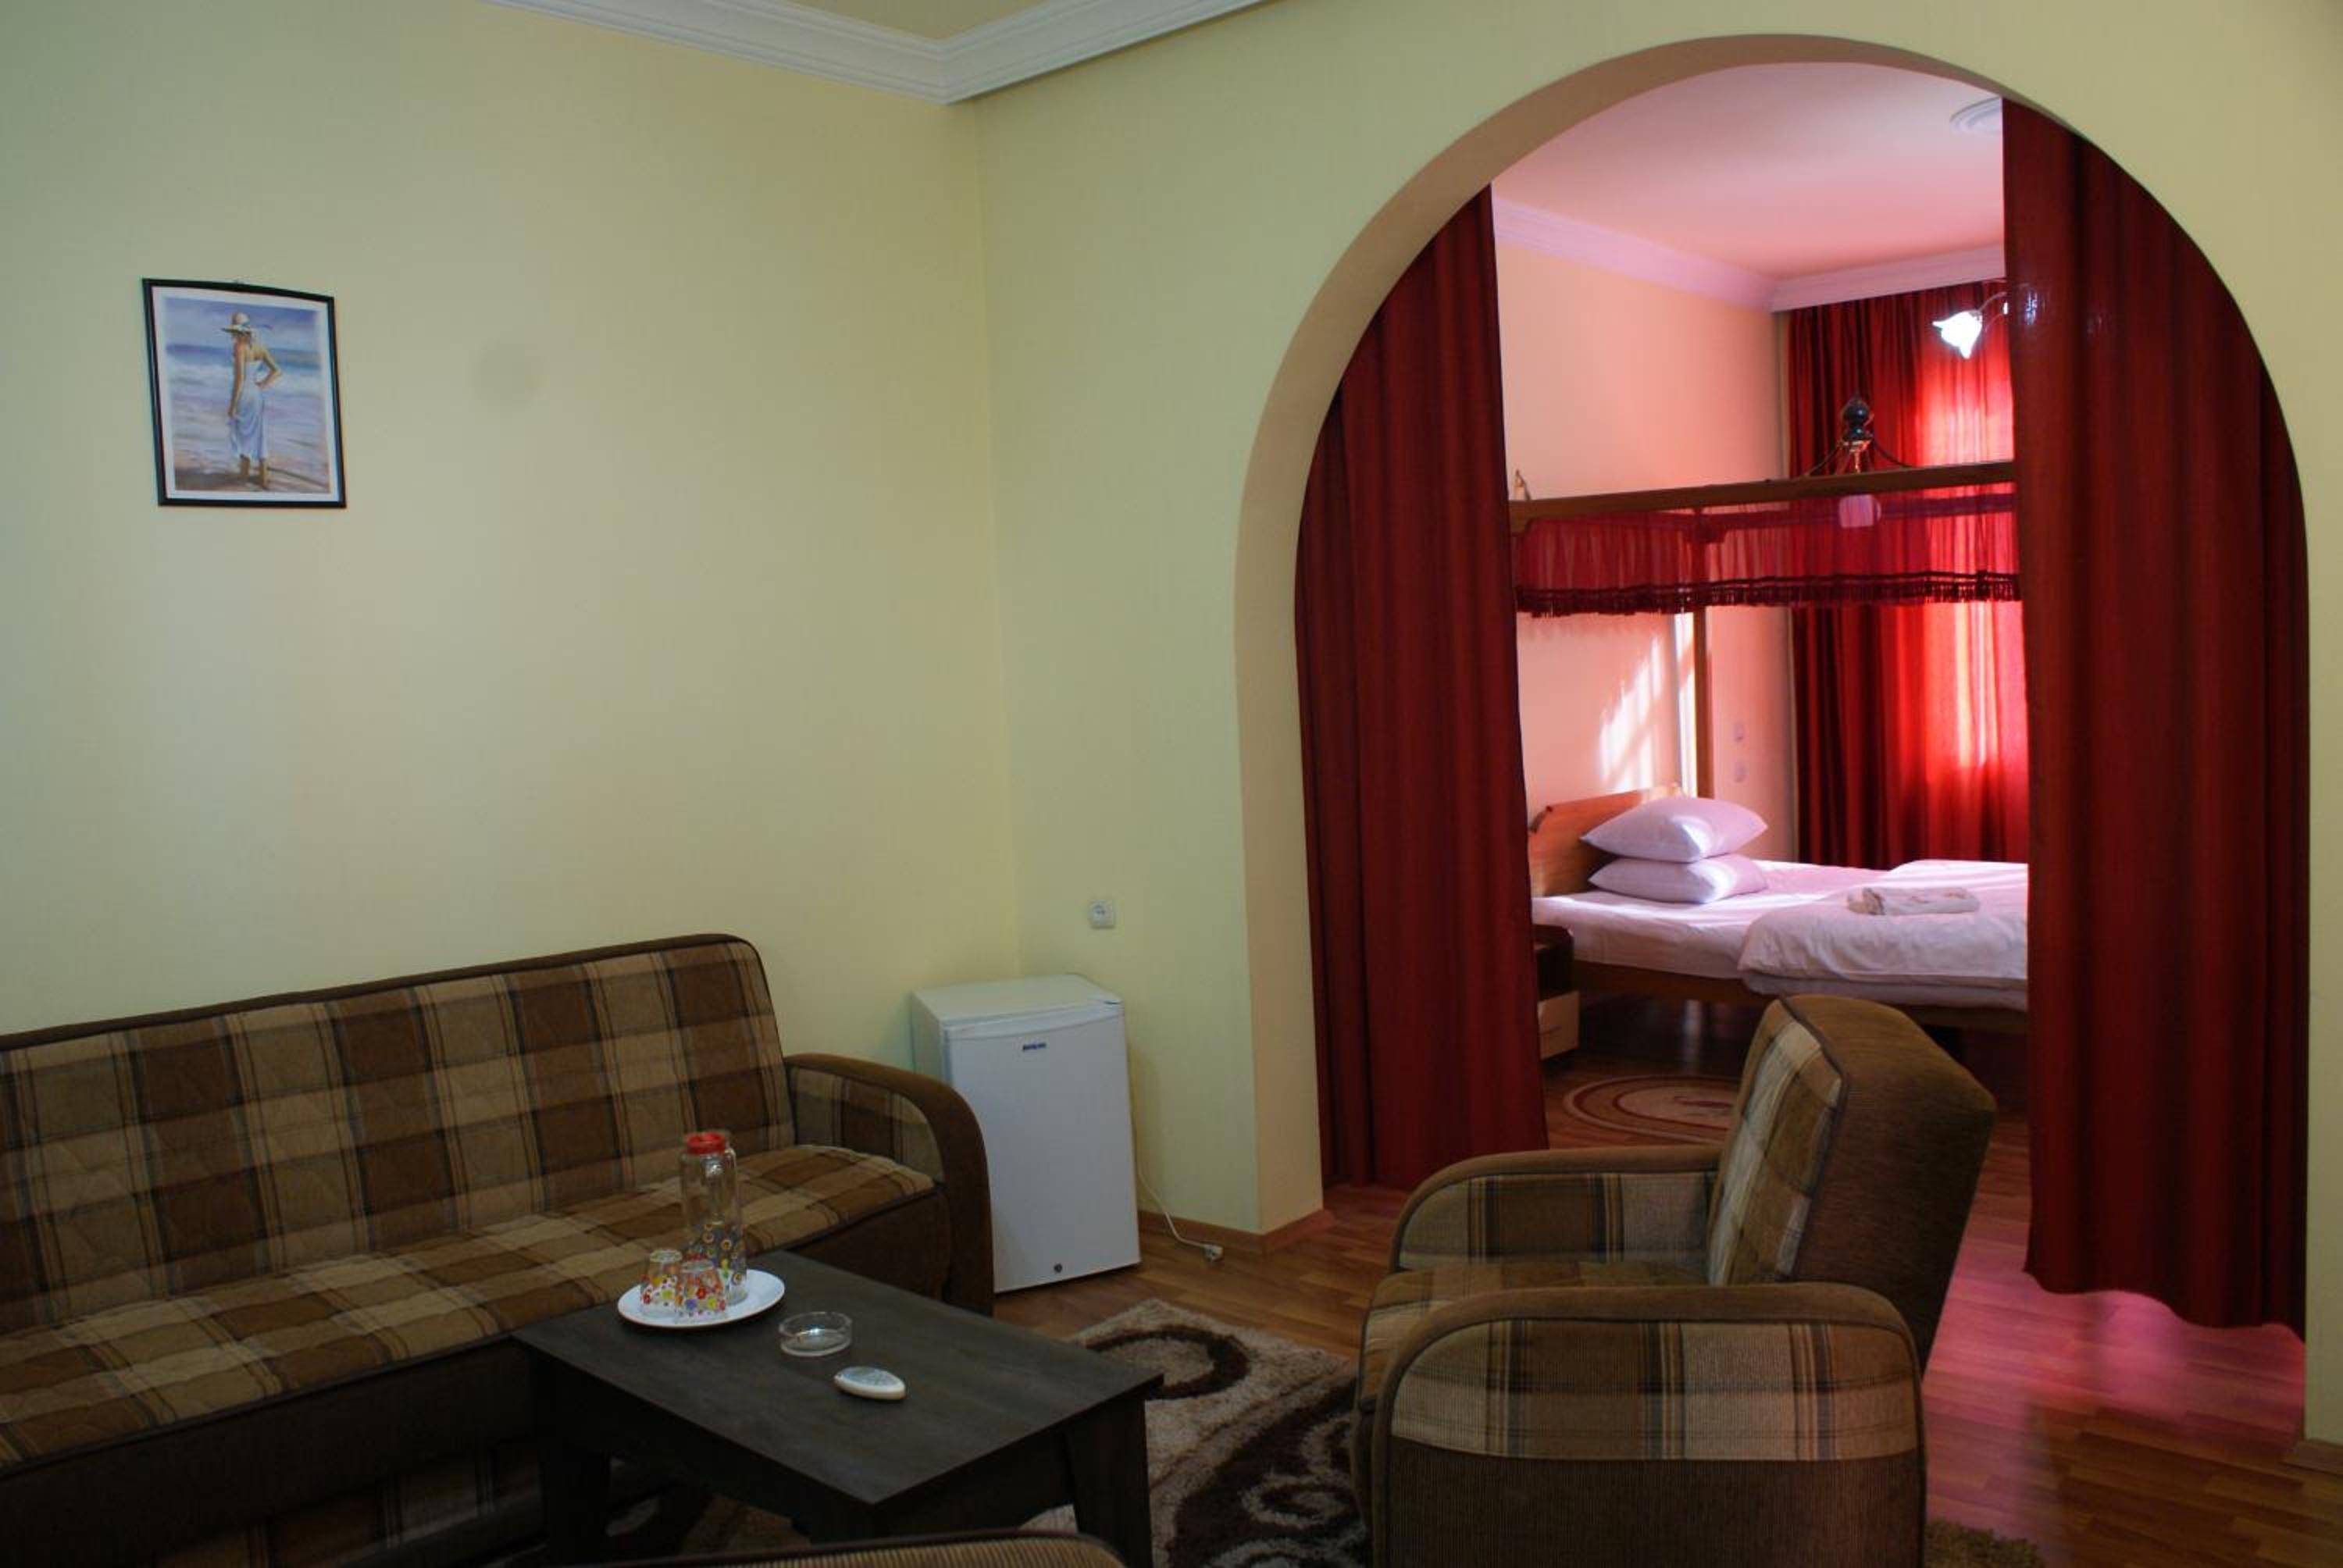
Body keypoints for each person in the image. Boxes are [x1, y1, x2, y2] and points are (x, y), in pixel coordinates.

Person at [223, 311, 282, 488]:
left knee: (243, 435)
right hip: (256, 395)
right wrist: (262, 385)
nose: (233, 335)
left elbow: (239, 379)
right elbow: (277, 371)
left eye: (234, 332)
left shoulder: (239, 348)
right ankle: (263, 478)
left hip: (244, 396)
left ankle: (244, 475)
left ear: (238, 331)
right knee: (259, 434)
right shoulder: (260, 348)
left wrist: (232, 405)